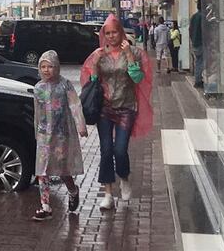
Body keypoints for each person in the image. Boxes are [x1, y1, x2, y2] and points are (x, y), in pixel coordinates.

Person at [81, 14, 153, 210]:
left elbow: (138, 78)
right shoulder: (98, 54)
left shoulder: (135, 53)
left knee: (120, 150)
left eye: (114, 32)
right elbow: (92, 83)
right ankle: (108, 193)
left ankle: (124, 177)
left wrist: (129, 55)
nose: (111, 36)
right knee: (106, 150)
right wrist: (95, 66)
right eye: (108, 33)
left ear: (121, 32)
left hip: (126, 108)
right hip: (105, 109)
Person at [32, 50, 88, 221]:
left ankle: (73, 190)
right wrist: (37, 132)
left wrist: (81, 125)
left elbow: (75, 105)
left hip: (61, 134)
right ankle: (45, 206)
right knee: (42, 171)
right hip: (43, 134)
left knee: (62, 169)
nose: (47, 70)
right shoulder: (38, 88)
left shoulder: (65, 85)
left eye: (50, 66)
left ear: (57, 67)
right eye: (43, 67)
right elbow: (37, 112)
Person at [190, 0, 204, 88]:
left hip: (195, 43)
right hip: (201, 42)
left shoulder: (194, 16)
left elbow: (190, 29)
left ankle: (198, 79)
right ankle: (199, 81)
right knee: (201, 62)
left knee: (198, 61)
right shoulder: (202, 17)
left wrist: (192, 40)